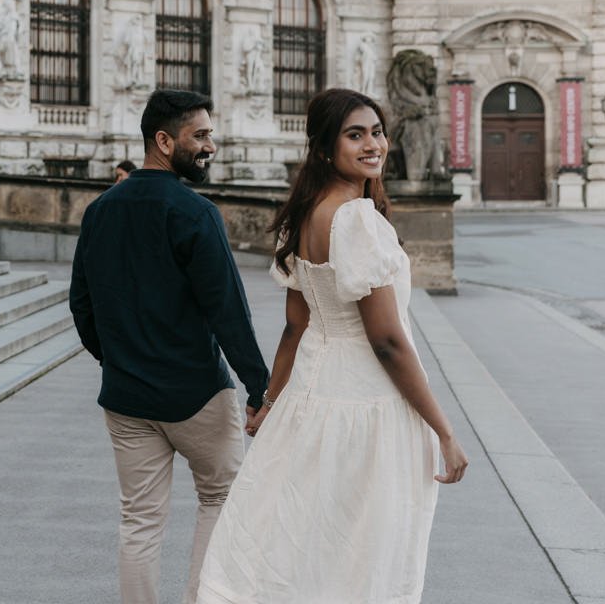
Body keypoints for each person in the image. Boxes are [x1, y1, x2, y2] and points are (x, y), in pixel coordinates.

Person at [195, 87, 469, 604]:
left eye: (377, 131)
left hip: (310, 401)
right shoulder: (357, 219)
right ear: (324, 149)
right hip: (366, 402)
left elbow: (296, 328)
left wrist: (270, 403)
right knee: (361, 551)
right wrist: (444, 429)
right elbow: (387, 340)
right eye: (355, 135)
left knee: (304, 543)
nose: (373, 144)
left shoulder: (307, 214)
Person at [70, 89, 270, 604]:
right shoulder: (194, 213)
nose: (211, 146)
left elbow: (82, 306)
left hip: (127, 397)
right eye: (199, 136)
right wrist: (259, 386)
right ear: (164, 141)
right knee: (221, 501)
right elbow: (228, 310)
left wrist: (117, 360)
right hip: (197, 393)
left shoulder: (99, 212)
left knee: (138, 521)